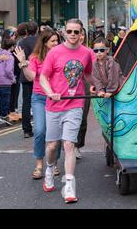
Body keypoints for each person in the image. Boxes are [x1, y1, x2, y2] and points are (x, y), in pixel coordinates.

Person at [40, 19, 93, 204]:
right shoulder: (54, 52)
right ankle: (49, 167)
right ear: (64, 33)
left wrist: (96, 87)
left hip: (75, 104)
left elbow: (88, 74)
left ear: (81, 34)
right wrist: (49, 92)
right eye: (69, 31)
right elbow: (43, 77)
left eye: (76, 32)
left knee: (69, 144)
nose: (72, 34)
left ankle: (69, 185)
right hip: (54, 106)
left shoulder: (87, 53)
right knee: (52, 146)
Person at [14, 30, 62, 179]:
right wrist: (23, 62)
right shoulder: (35, 58)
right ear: (45, 42)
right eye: (52, 41)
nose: (55, 44)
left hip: (57, 98)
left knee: (55, 133)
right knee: (40, 130)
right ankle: (39, 164)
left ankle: (53, 163)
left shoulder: (61, 56)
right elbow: (30, 77)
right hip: (40, 98)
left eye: (57, 41)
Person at [74, 28, 95, 160]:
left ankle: (77, 145)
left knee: (82, 119)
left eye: (82, 34)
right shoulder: (65, 50)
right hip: (68, 87)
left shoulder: (89, 52)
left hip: (84, 85)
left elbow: (95, 68)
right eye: (76, 33)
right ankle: (68, 144)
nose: (79, 36)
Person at [18, 22, 38, 139]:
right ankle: (42, 127)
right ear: (36, 30)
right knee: (41, 101)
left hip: (25, 74)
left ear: (26, 30)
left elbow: (18, 59)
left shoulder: (21, 42)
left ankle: (26, 130)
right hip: (38, 74)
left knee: (27, 102)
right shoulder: (40, 41)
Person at [0, 39, 16, 123]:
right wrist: (13, 78)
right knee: (5, 99)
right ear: (11, 47)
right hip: (6, 81)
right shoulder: (10, 57)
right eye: (14, 46)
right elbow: (8, 70)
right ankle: (4, 116)